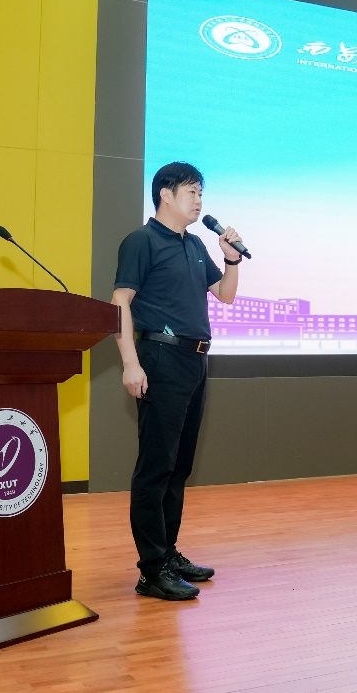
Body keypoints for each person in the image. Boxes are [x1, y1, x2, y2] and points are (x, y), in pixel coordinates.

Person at [111, 161, 243, 601]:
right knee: (156, 466)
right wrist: (130, 363)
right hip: (160, 357)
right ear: (165, 194)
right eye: (191, 192)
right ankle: (152, 569)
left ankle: (167, 554)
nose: (199, 201)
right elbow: (120, 301)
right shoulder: (142, 241)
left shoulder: (196, 245)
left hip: (194, 361)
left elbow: (225, 294)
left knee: (179, 464)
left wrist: (230, 258)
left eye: (201, 193)